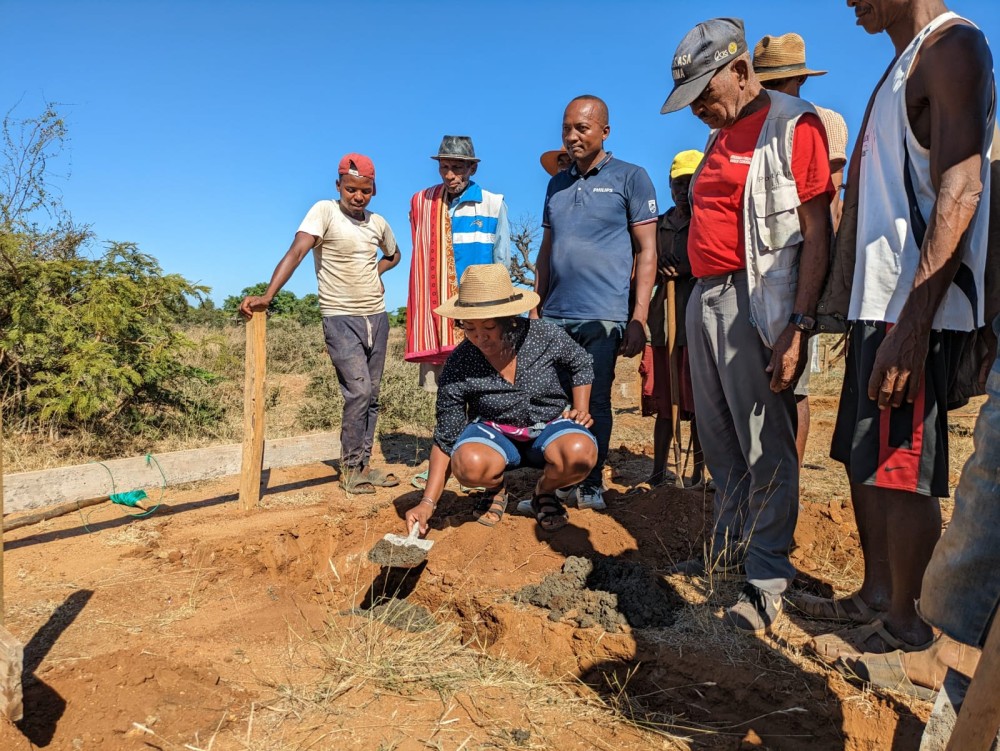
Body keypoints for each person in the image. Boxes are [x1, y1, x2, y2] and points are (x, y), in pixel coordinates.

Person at [800, 0, 996, 662]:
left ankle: (907, 629)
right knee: (866, 458)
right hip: (876, 301)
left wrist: (913, 323)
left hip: (912, 305)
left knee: (900, 466)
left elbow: (962, 188)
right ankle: (876, 595)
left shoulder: (952, 47)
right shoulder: (901, 65)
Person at [660, 17, 833, 632]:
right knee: (720, 441)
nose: (697, 109)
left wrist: (799, 326)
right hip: (704, 296)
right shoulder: (720, 133)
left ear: (739, 71)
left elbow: (818, 233)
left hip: (754, 300)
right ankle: (729, 553)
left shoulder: (792, 124)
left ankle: (766, 579)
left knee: (766, 445)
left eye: (704, 93)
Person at [240, 154, 401, 494]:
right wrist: (268, 295)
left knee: (372, 395)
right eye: (351, 189)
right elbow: (297, 252)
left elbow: (394, 254)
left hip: (377, 316)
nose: (358, 196)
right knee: (359, 391)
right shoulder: (324, 212)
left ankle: (363, 465)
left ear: (374, 190)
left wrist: (378, 271)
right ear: (338, 185)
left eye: (366, 191)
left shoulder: (378, 223)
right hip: (340, 317)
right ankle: (350, 469)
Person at [533, 95, 659, 511]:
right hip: (555, 315)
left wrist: (638, 317)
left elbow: (647, 251)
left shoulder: (631, 178)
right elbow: (547, 249)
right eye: (566, 128)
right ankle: (558, 480)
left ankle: (590, 483)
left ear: (605, 132)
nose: (572, 137)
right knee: (554, 401)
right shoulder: (556, 184)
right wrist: (535, 304)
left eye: (582, 128)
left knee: (596, 400)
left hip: (603, 317)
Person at [404, 264, 597, 535]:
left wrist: (581, 408)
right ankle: (495, 488)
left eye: (489, 326)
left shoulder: (543, 335)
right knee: (468, 463)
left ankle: (544, 492)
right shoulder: (460, 362)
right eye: (469, 327)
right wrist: (427, 503)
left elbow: (581, 363)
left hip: (550, 426)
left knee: (579, 452)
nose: (479, 337)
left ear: (510, 319)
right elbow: (446, 437)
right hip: (493, 434)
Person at [753, 32, 850, 468]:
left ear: (799, 81)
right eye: (765, 84)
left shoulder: (822, 121)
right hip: (759, 267)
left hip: (800, 263)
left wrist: (825, 281)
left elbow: (830, 205)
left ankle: (788, 480)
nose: (771, 92)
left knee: (795, 383)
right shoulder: (751, 125)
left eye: (778, 83)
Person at [406, 135, 511, 489]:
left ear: (472, 169)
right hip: (441, 317)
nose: (449, 175)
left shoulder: (492, 204)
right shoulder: (425, 204)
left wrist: (501, 315)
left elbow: (502, 261)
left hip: (480, 314)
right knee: (447, 392)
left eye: (457, 167)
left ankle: (479, 459)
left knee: (481, 389)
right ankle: (442, 462)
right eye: (444, 167)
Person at [637, 149, 706, 489]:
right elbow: (643, 265)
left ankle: (698, 474)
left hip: (698, 326)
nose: (683, 190)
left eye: (691, 183)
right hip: (663, 326)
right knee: (666, 403)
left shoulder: (707, 221)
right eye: (679, 183)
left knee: (701, 404)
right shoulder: (659, 226)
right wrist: (660, 268)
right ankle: (658, 473)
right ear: (669, 185)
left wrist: (688, 268)